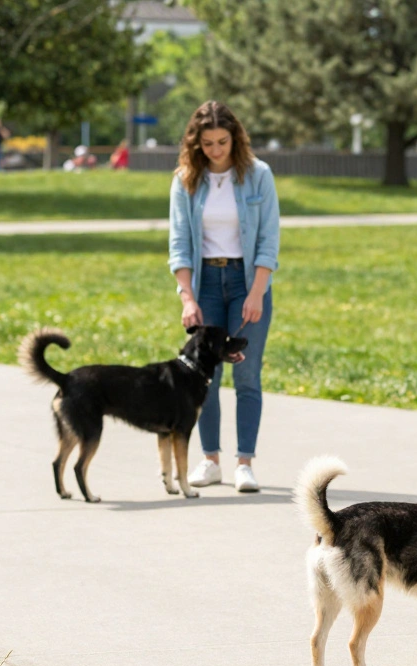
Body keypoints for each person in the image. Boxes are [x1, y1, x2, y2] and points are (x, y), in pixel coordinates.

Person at [168, 101, 280, 493]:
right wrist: (187, 297)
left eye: (223, 141)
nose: (216, 150)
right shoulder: (186, 179)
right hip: (205, 284)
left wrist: (256, 292)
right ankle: (210, 459)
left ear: (236, 138)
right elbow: (179, 244)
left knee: (247, 375)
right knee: (203, 377)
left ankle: (245, 463)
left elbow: (269, 239)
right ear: (195, 143)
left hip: (246, 281)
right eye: (208, 143)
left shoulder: (258, 175)